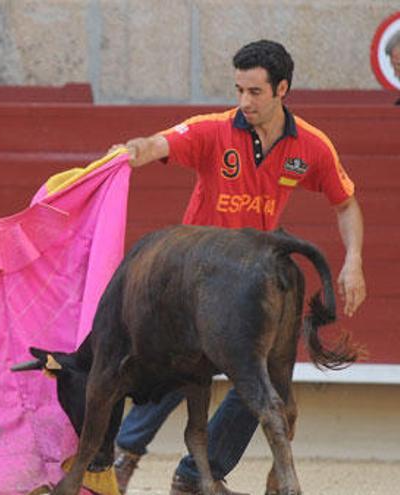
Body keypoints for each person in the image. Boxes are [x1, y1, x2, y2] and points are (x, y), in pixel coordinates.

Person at [108, 40, 366, 495]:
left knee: (260, 381)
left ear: (282, 89)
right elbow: (158, 144)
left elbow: (346, 204)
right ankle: (123, 456)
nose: (244, 102)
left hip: (248, 280)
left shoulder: (309, 144)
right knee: (178, 365)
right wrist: (132, 151)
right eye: (239, 90)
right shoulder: (213, 130)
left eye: (255, 92)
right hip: (196, 274)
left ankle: (194, 475)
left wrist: (355, 263)